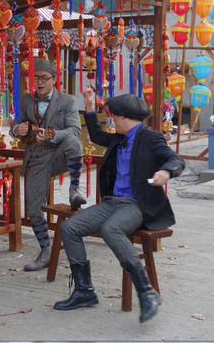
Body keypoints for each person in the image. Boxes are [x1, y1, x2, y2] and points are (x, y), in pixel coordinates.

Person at [53, 88, 186, 323]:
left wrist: (166, 171)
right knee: (69, 227)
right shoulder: (119, 137)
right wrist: (89, 106)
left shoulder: (151, 137)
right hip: (111, 202)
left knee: (111, 229)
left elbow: (174, 159)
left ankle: (146, 292)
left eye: (113, 116)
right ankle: (84, 291)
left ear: (123, 116)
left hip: (137, 205)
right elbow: (96, 135)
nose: (112, 120)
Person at [10, 59, 86, 272]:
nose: (39, 82)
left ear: (54, 79)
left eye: (44, 78)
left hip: (58, 154)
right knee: (33, 209)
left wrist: (52, 134)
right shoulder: (26, 100)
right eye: (35, 78)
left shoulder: (67, 100)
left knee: (74, 143)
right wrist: (17, 129)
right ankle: (45, 251)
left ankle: (74, 189)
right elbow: (17, 123)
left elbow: (75, 130)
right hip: (36, 157)